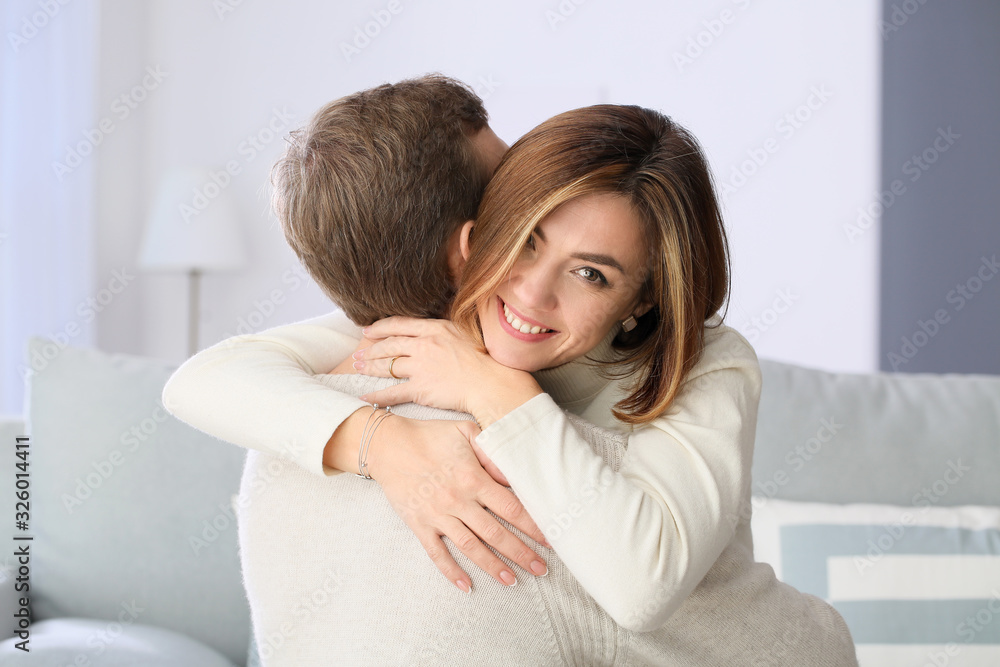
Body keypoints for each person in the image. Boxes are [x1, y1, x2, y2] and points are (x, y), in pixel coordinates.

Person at [164, 79, 858, 664]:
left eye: (591, 273)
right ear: (475, 240)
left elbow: (642, 584)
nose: (530, 295)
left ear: (641, 296)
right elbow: (203, 379)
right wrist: (386, 444)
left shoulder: (704, 364)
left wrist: (496, 391)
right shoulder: (442, 323)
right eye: (523, 237)